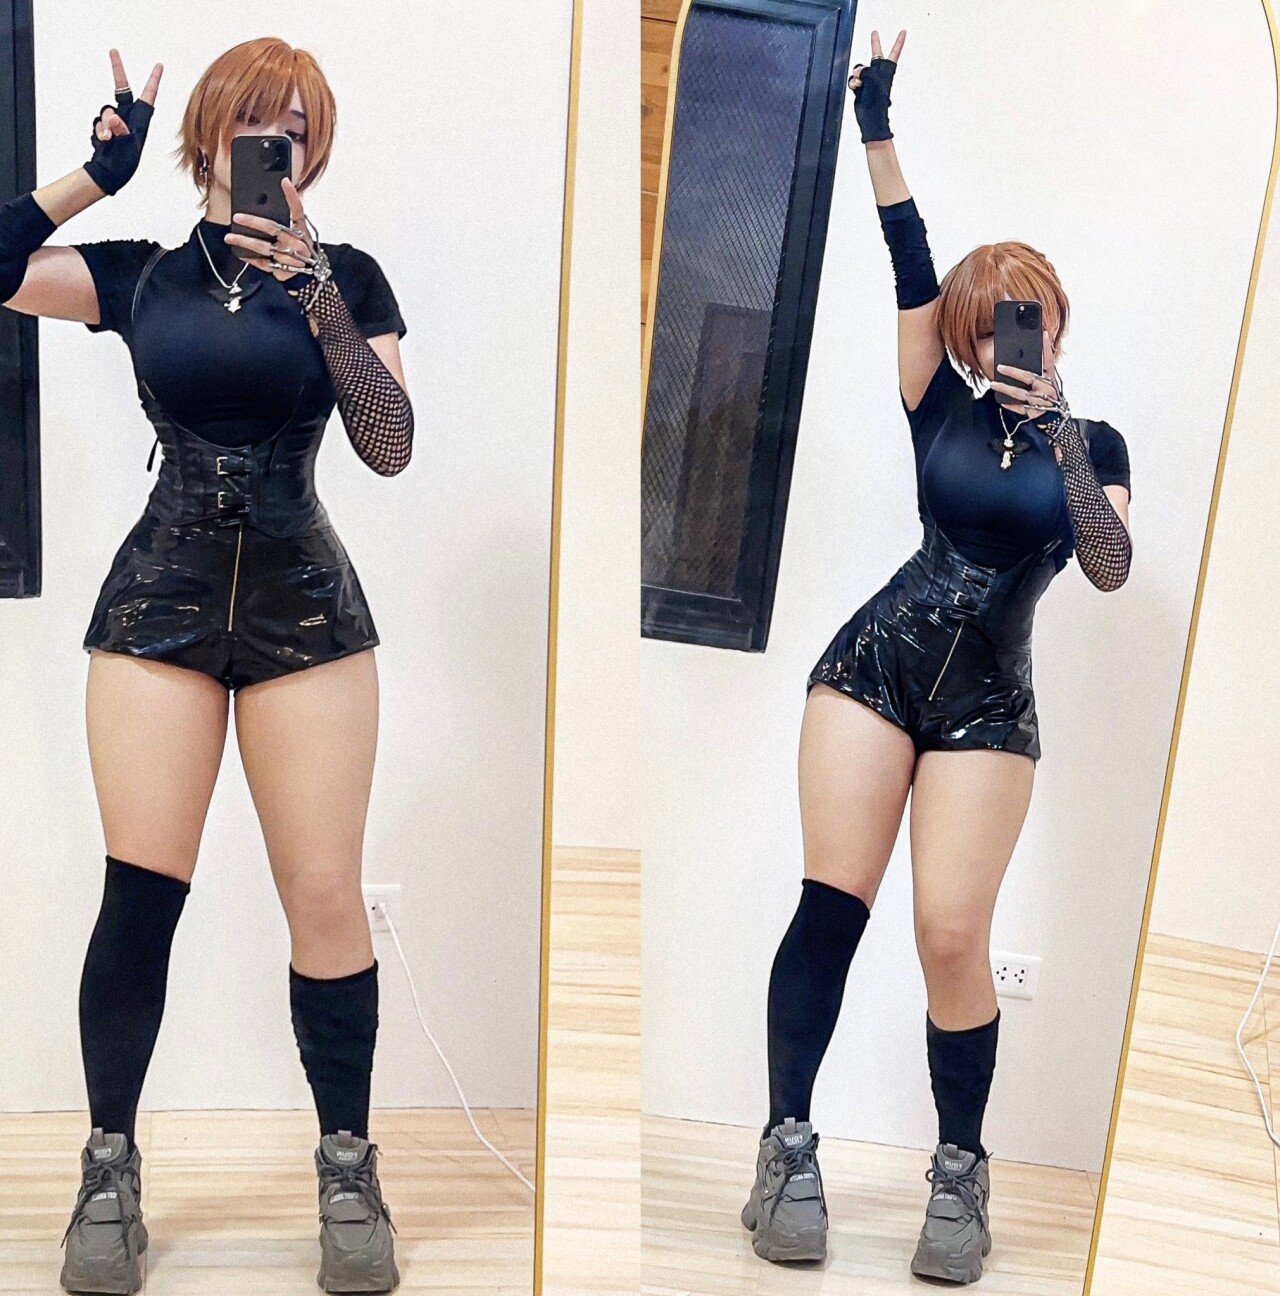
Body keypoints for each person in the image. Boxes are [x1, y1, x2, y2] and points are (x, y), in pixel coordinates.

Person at [0, 37, 413, 1295]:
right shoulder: (138, 277)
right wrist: (92, 176)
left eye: (298, 124)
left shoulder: (350, 276)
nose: (276, 138)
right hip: (158, 605)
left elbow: (390, 443)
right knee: (141, 894)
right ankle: (108, 1171)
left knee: (325, 893)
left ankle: (347, 1167)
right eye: (255, 117)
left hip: (305, 608)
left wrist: (320, 292)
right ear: (209, 131)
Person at [740, 29, 1132, 1285]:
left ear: (1054, 320)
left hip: (988, 701)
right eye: (994, 320)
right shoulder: (936, 404)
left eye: (1032, 315)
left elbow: (1108, 563)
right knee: (830, 907)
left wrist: (1059, 434)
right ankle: (784, 1149)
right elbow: (903, 256)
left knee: (952, 936)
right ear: (966, 333)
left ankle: (959, 1174)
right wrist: (875, 125)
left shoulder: (1095, 444)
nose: (1015, 334)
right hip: (872, 670)